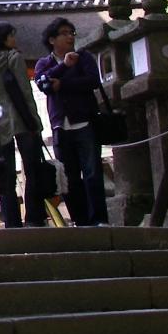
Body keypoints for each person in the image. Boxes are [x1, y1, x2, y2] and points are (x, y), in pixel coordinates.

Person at [0, 22, 50, 227]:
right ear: (3, 39)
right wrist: (36, 121)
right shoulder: (13, 58)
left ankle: (11, 221)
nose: (14, 39)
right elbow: (25, 91)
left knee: (4, 173)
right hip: (20, 120)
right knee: (31, 168)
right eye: (11, 36)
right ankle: (33, 218)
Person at [34, 17, 109, 226]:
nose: (70, 37)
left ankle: (99, 219)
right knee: (69, 177)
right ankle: (80, 220)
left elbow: (93, 81)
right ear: (52, 40)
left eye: (71, 33)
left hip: (85, 121)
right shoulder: (44, 63)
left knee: (92, 173)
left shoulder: (83, 57)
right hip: (60, 125)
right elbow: (43, 84)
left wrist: (63, 84)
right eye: (64, 33)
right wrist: (63, 67)